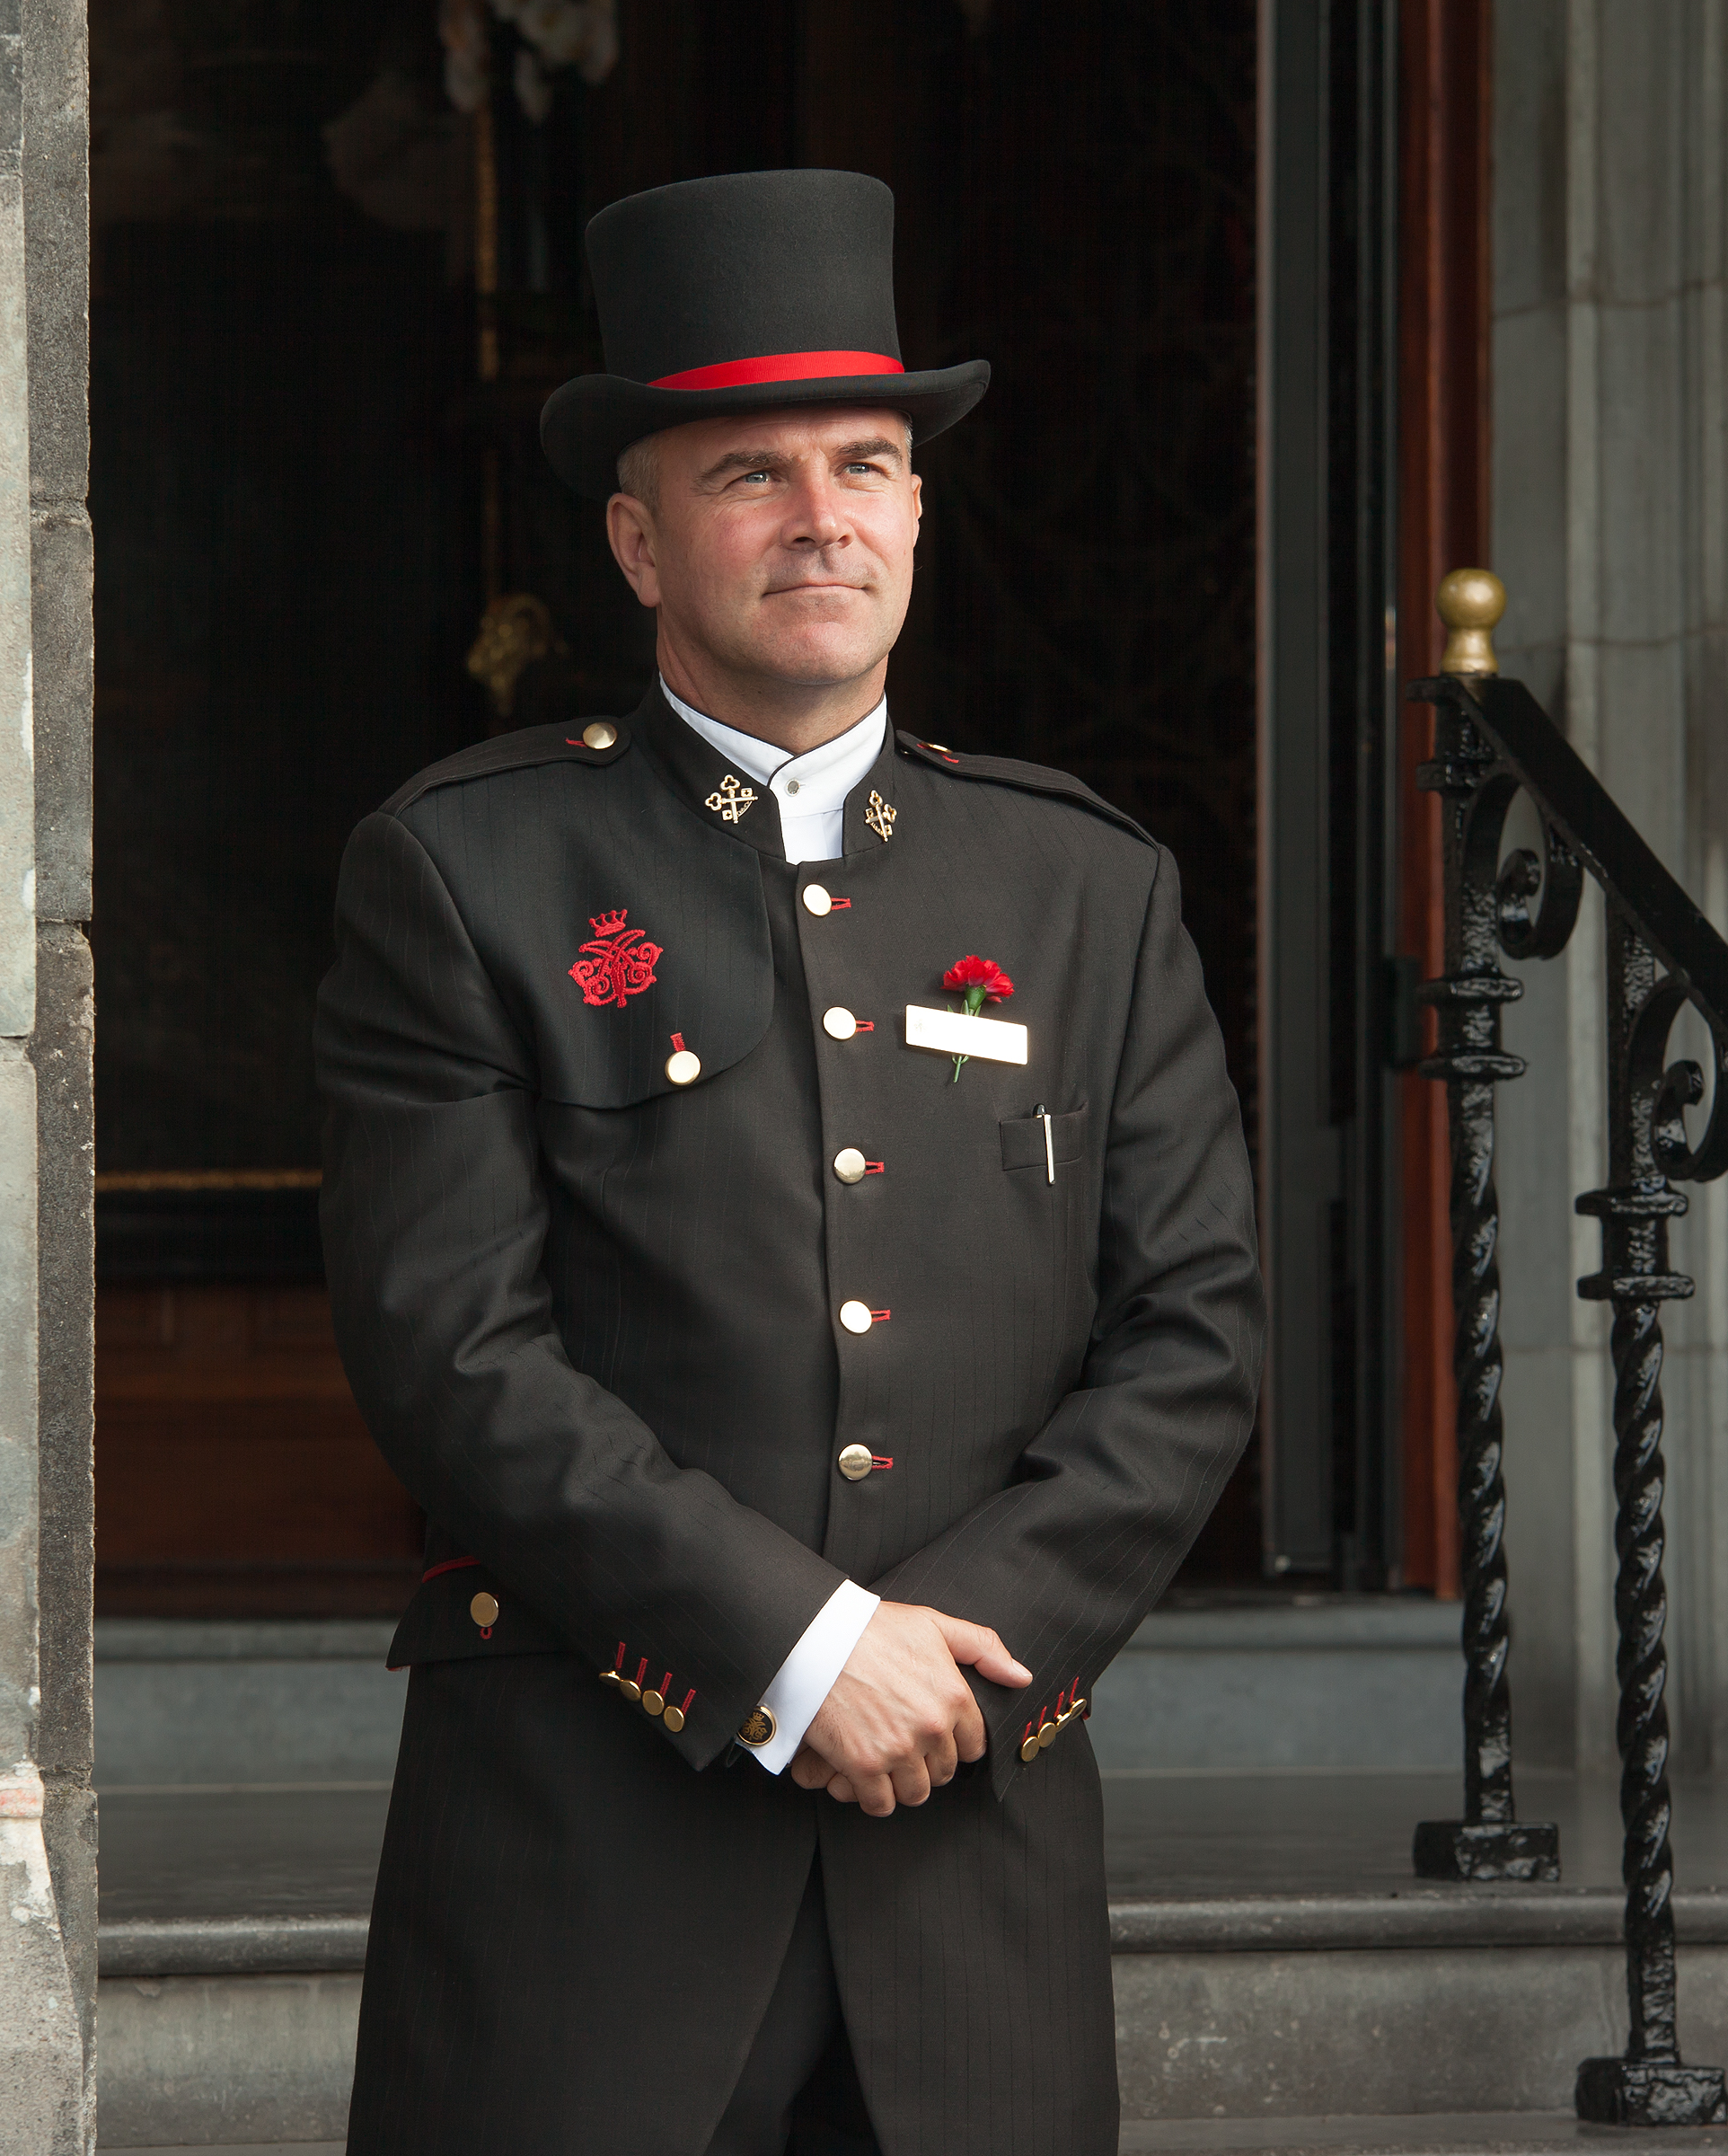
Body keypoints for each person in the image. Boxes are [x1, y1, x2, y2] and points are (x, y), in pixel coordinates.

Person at [316, 166, 1262, 2156]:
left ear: (920, 510)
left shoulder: (1086, 882)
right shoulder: (467, 867)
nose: (822, 515)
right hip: (589, 1849)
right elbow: (451, 1349)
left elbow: (1193, 1335)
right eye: (750, 472)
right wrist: (800, 1647)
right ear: (640, 542)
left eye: (868, 462)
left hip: (969, 1847)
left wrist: (944, 1669)